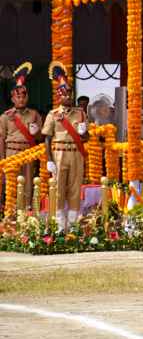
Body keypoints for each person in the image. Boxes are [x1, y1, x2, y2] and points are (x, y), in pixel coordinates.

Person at [42, 62, 88, 230]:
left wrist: (84, 133)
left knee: (75, 188)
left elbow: (86, 138)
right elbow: (46, 138)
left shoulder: (81, 113)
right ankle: (60, 225)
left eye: (70, 93)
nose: (68, 96)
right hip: (59, 153)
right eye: (64, 93)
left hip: (76, 153)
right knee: (59, 187)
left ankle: (74, 225)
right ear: (59, 96)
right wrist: (49, 159)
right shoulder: (53, 115)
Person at [0, 63, 42, 208]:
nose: (21, 99)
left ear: (27, 97)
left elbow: (40, 139)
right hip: (11, 152)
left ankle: (27, 213)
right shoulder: (5, 117)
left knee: (28, 183)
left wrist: (35, 132)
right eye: (18, 97)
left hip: (29, 151)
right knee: (11, 184)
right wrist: (2, 159)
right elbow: (1, 139)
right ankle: (11, 214)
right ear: (12, 99)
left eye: (23, 96)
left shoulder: (34, 114)